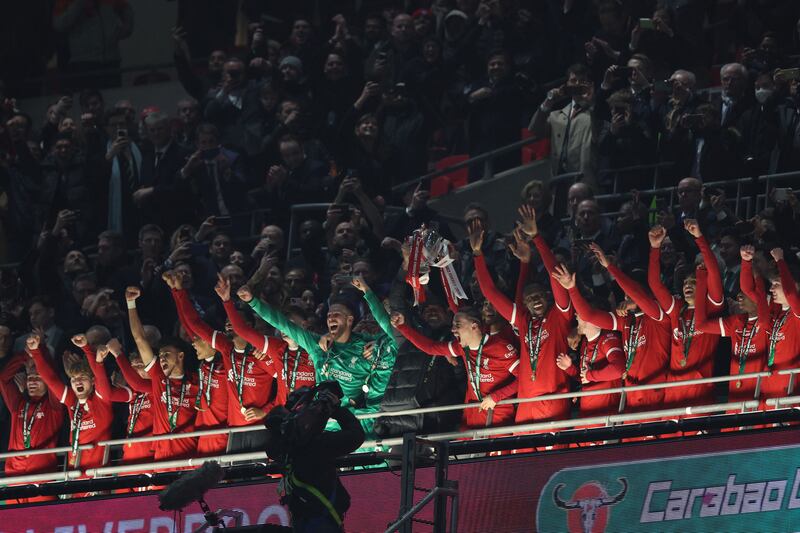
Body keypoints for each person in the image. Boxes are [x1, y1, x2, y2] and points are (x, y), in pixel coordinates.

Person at [239, 276, 397, 437]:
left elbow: (394, 337)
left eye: (337, 314)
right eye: (329, 315)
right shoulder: (318, 346)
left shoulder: (367, 346)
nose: (331, 318)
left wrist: (367, 292)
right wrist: (253, 301)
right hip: (321, 423)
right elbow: (283, 324)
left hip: (352, 422)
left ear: (349, 320)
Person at [470, 205, 572, 425]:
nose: (535, 300)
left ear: (547, 296)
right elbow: (490, 292)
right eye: (530, 298)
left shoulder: (559, 316)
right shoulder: (523, 321)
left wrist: (536, 237)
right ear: (524, 304)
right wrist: (477, 253)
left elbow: (555, 275)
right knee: (520, 460)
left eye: (539, 295)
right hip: (525, 405)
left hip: (552, 402)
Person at [391, 305, 519, 429]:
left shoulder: (500, 347)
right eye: (452, 325)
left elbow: (524, 379)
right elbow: (430, 348)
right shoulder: (462, 348)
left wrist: (496, 396)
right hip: (473, 413)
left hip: (498, 413)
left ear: (474, 326)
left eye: (457, 325)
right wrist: (402, 327)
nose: (453, 330)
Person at [265, 383, 364, 532]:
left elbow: (274, 439)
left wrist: (292, 408)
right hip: (325, 524)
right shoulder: (318, 445)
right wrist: (336, 409)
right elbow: (356, 435)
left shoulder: (282, 446)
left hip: (302, 523)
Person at [648, 222, 724, 408]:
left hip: (699, 389)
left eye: (693, 282)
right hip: (673, 389)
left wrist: (699, 238)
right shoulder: (677, 309)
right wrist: (655, 248)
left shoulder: (711, 307)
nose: (687, 285)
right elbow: (654, 284)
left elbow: (713, 273)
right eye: (685, 283)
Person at [125, 286, 198, 460]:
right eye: (160, 355)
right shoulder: (158, 378)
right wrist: (131, 303)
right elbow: (139, 338)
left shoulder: (197, 380)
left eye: (166, 354)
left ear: (180, 356)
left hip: (191, 454)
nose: (162, 359)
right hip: (162, 457)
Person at [693, 246, 770, 405]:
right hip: (734, 396)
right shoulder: (736, 322)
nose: (739, 296)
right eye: (738, 293)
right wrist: (701, 278)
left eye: (745, 293)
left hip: (759, 396)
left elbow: (755, 296)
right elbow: (700, 325)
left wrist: (754, 274)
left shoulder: (769, 320)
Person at [26, 332, 114, 470]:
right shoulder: (72, 400)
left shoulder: (102, 398)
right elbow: (50, 379)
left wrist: (86, 347)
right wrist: (35, 351)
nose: (77, 381)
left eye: (82, 377)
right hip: (74, 472)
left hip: (98, 475)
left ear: (92, 381)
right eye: (73, 379)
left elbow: (99, 375)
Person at [550, 265, 625, 418]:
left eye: (581, 313)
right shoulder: (584, 343)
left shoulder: (608, 339)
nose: (577, 315)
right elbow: (584, 377)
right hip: (587, 412)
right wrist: (570, 368)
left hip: (606, 414)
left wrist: (591, 376)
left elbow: (618, 369)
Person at [0, 349, 64, 485]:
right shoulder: (17, 404)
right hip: (14, 475)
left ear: (47, 383)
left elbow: (53, 378)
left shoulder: (54, 406)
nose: (32, 382)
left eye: (38, 378)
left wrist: (39, 352)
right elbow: (3, 379)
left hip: (42, 474)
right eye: (29, 378)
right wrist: (24, 356)